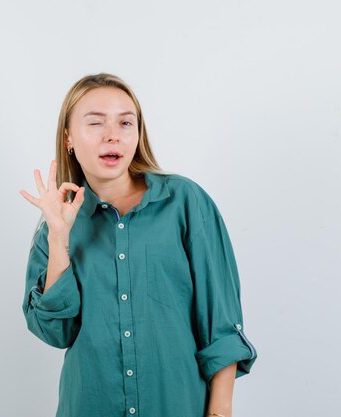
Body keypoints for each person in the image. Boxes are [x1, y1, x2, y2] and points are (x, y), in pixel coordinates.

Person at [19, 73, 257, 417]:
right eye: (96, 123)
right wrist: (59, 238)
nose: (112, 134)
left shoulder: (185, 203)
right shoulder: (56, 226)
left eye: (125, 122)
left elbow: (222, 325)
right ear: (69, 137)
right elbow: (55, 332)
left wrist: (220, 412)